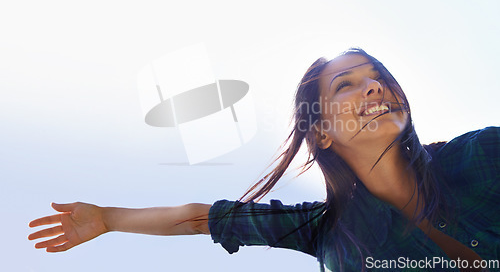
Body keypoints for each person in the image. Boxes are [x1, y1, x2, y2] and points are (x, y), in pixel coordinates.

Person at [28, 49, 500, 272]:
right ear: (322, 134)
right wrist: (108, 219)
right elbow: (199, 219)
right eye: (346, 85)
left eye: (377, 77)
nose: (373, 87)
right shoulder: (325, 231)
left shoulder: (481, 156)